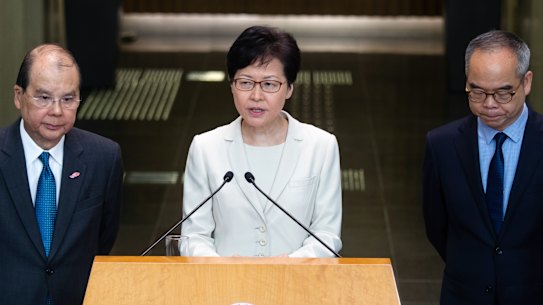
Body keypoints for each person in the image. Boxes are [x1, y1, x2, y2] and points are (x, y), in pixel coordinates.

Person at [181, 25, 342, 257]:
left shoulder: (321, 147)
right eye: (245, 82)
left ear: (289, 88)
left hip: (297, 285)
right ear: (232, 86)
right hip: (227, 286)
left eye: (269, 84)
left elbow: (327, 235)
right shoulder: (206, 148)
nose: (256, 96)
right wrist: (220, 267)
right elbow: (194, 236)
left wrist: (287, 266)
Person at [423, 30, 543, 304]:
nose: (489, 104)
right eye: (476, 91)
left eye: (503, 92)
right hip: (464, 294)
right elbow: (436, 226)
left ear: (526, 82)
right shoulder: (441, 145)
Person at [0, 44, 123, 305]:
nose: (57, 111)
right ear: (18, 96)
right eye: (43, 98)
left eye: (68, 99)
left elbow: (104, 236)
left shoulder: (103, 157)